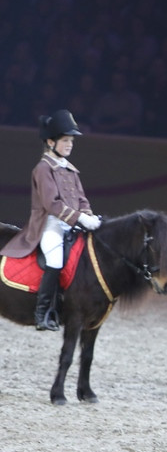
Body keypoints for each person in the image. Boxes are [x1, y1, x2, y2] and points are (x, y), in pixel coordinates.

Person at [0, 110, 101, 331]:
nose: (70, 145)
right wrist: (79, 218)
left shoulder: (70, 169)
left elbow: (82, 198)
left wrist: (89, 215)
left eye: (71, 141)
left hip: (71, 224)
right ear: (50, 141)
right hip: (48, 225)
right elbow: (51, 204)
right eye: (65, 140)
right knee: (55, 259)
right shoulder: (43, 169)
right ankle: (43, 312)